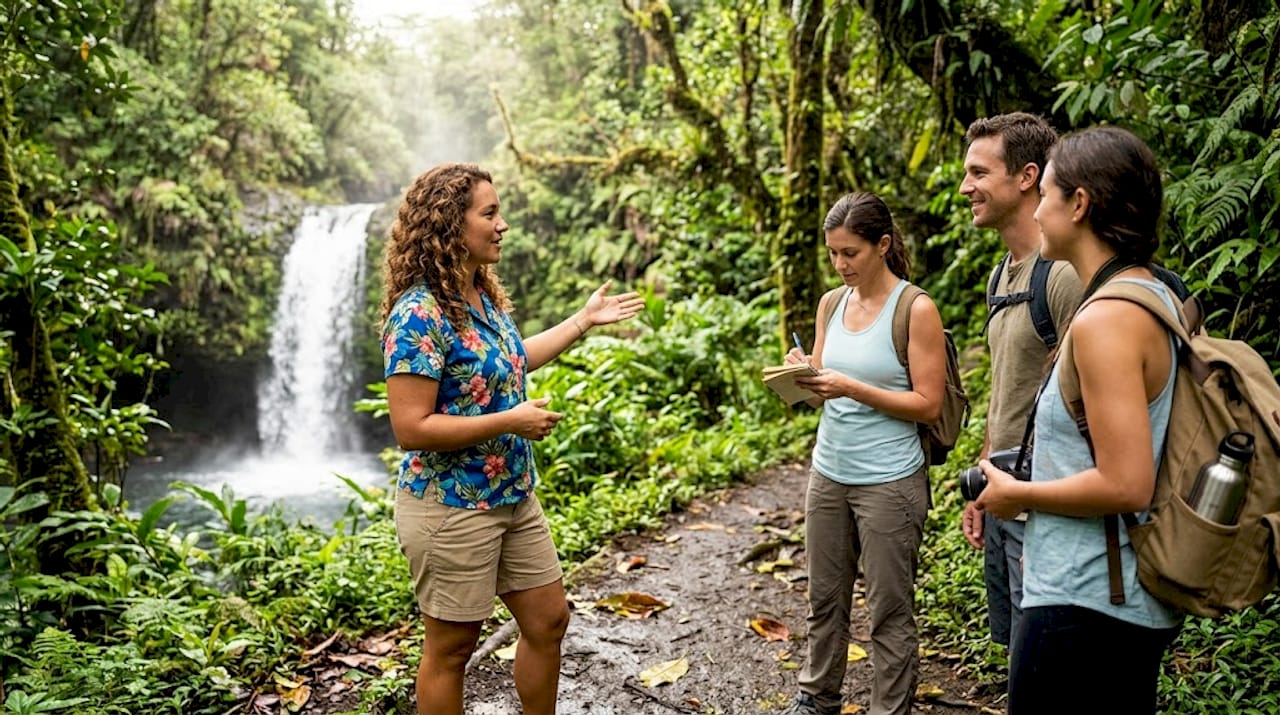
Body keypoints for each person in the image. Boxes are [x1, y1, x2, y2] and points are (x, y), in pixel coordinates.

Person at [379, 162, 644, 715]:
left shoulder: (479, 293)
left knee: (549, 619)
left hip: (511, 494)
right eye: (490, 213)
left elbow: (512, 361)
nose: (502, 225)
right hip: (451, 506)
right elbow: (411, 429)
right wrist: (509, 421)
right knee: (451, 651)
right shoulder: (418, 313)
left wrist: (583, 320)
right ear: (450, 225)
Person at [973, 126, 1184, 714]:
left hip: (1087, 598)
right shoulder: (1149, 293)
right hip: (1120, 596)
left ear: (1080, 204)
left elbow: (1126, 482)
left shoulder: (1106, 319)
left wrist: (1021, 494)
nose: (1038, 210)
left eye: (1048, 193)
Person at [780, 192, 947, 715]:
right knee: (823, 599)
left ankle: (888, 709)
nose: (840, 264)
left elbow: (927, 404)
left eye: (850, 252)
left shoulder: (915, 309)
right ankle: (817, 697)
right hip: (829, 470)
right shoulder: (832, 303)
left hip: (890, 479)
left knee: (889, 610)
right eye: (833, 253)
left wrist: (850, 386)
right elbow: (822, 387)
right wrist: (802, 373)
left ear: (883, 245)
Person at [957, 113, 1084, 654]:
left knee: (1046, 663)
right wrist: (984, 480)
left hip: (1047, 508)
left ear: (1027, 176)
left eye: (979, 173)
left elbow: (1090, 405)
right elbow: (1008, 390)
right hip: (1004, 493)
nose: (966, 187)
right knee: (1015, 654)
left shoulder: (1061, 277)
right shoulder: (1001, 274)